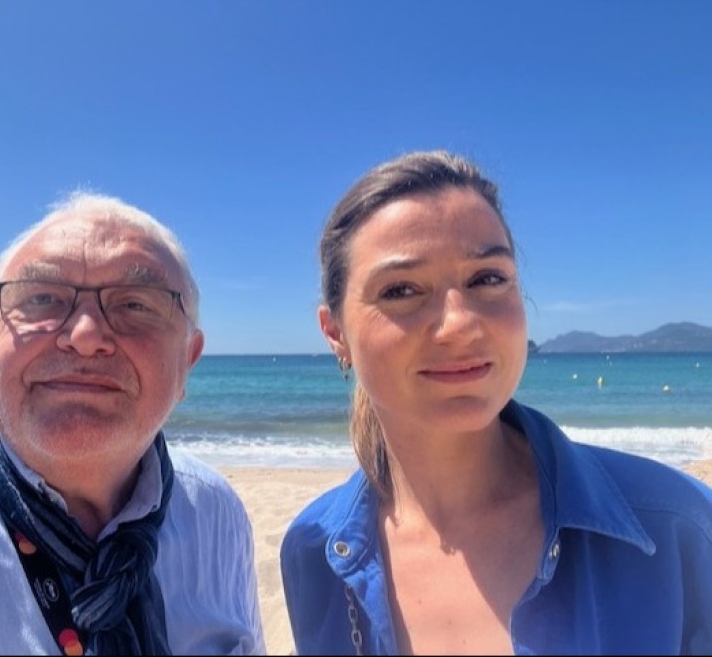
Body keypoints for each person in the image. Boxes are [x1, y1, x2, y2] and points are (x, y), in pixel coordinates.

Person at [280, 150, 712, 655]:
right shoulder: (314, 554)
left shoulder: (677, 530)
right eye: (400, 290)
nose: (460, 324)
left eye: (487, 278)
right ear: (335, 333)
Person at [0, 192, 265, 655]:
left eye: (135, 305)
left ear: (188, 360)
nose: (85, 336)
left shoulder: (216, 514)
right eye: (42, 299)